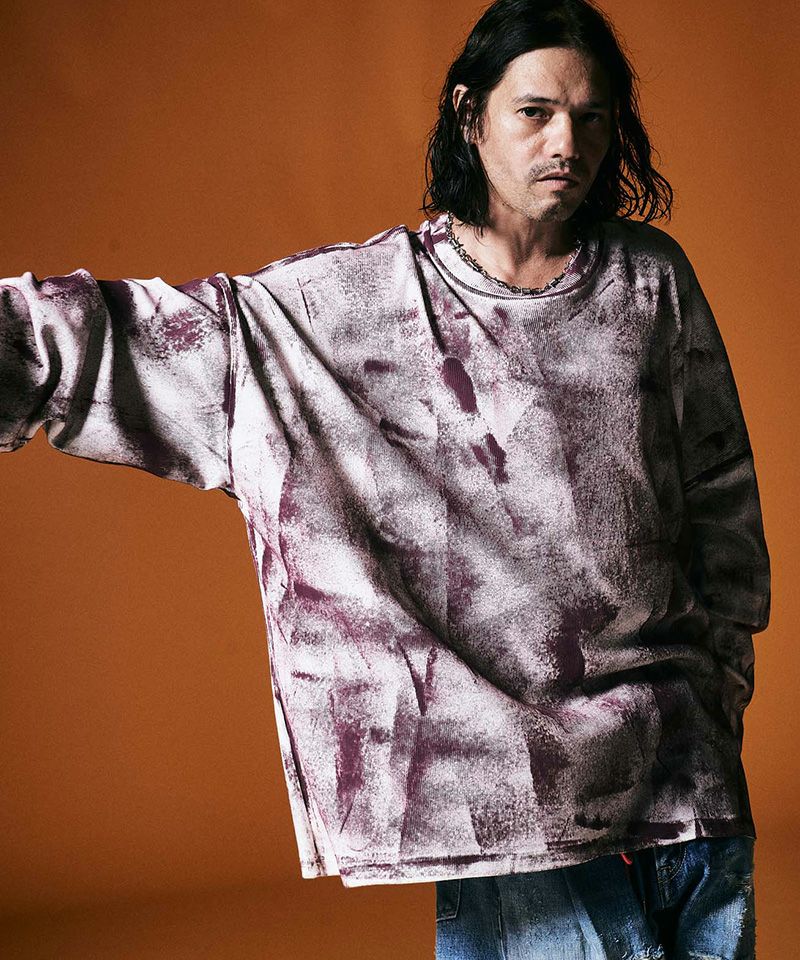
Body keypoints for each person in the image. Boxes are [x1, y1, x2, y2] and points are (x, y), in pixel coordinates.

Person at [0, 0, 770, 957]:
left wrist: (718, 692)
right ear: (470, 115)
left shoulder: (651, 278)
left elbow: (718, 493)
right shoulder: (358, 304)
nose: (566, 143)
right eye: (535, 112)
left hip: (686, 777)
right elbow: (145, 340)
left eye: (592, 117)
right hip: (514, 804)